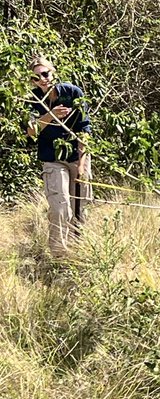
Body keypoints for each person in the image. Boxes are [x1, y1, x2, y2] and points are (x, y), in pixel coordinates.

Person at [25, 55, 92, 259]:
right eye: (36, 77)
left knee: (81, 206)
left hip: (77, 155)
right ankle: (59, 256)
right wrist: (50, 116)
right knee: (60, 206)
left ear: (53, 72)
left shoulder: (72, 92)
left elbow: (84, 129)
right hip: (52, 159)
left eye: (45, 74)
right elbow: (31, 132)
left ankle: (80, 250)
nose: (42, 79)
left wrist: (81, 163)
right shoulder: (31, 100)